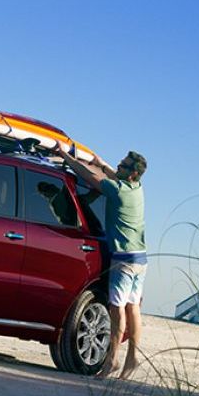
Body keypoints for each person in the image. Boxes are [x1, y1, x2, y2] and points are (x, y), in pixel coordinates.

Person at [54, 147, 149, 379]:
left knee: (117, 309)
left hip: (123, 260)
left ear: (132, 173)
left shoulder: (117, 191)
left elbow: (89, 177)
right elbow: (112, 174)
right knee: (133, 308)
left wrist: (67, 158)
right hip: (140, 258)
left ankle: (112, 360)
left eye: (123, 165)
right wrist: (100, 163)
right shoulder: (136, 188)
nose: (118, 166)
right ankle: (132, 358)